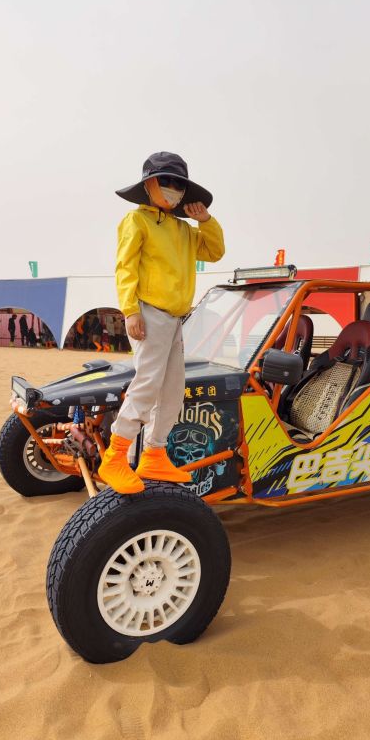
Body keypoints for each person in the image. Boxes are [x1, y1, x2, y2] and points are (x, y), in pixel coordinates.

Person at [98, 151, 225, 493]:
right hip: (150, 312)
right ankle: (115, 456)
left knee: (172, 389)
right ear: (149, 185)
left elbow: (215, 252)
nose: (174, 189)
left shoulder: (183, 229)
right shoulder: (136, 220)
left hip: (175, 318)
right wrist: (130, 310)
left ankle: (154, 453)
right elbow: (125, 267)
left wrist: (206, 221)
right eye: (166, 181)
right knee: (148, 382)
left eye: (179, 184)